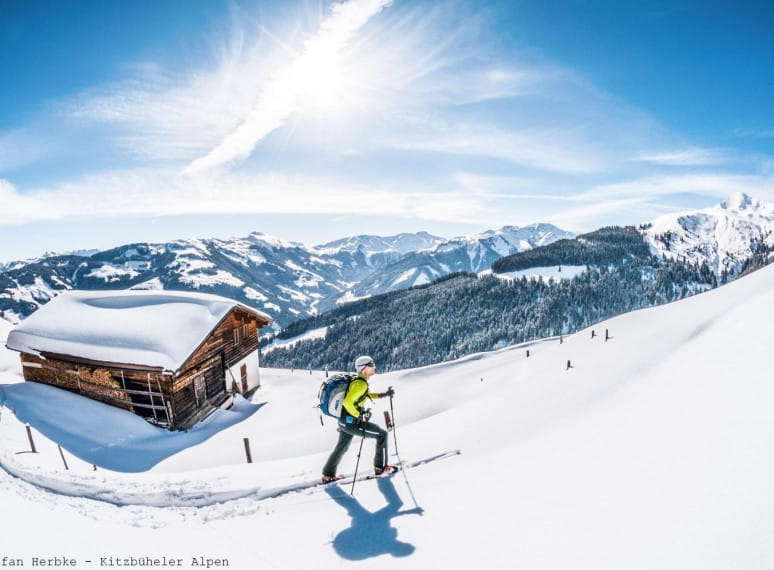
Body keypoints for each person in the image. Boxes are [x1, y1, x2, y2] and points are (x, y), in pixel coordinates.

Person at [321, 355, 396, 483]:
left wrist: (384, 394)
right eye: (371, 365)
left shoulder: (359, 382)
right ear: (364, 369)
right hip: (352, 422)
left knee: (342, 447)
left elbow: (365, 395)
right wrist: (360, 416)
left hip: (344, 421)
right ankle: (381, 468)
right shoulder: (360, 384)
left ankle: (328, 475)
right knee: (382, 435)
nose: (374, 367)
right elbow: (347, 402)